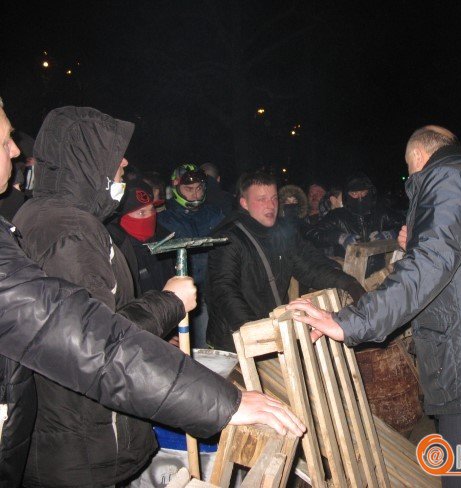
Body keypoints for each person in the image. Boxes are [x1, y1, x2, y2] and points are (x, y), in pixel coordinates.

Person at [0, 98, 304, 487]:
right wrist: (172, 302)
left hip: (80, 439)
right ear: (86, 158)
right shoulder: (68, 231)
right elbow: (94, 342)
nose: (125, 164)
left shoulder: (58, 218)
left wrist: (154, 340)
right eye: (115, 155)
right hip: (84, 448)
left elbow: (95, 325)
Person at [289, 126, 461, 488]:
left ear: (418, 158)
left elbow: (428, 265)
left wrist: (352, 321)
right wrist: (418, 240)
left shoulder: (446, 180)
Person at [205, 171, 366, 352]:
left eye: (274, 198)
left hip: (271, 332)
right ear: (244, 203)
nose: (271, 205)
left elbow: (310, 267)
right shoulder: (228, 238)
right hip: (232, 342)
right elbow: (224, 290)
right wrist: (254, 331)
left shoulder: (282, 232)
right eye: (262, 199)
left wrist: (349, 283)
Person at [158, 163, 225, 348]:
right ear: (177, 189)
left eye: (198, 188)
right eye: (188, 189)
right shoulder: (165, 219)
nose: (195, 194)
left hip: (216, 292)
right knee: (196, 348)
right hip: (187, 298)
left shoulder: (214, 213)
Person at [304, 173, 404, 275]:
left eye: (363, 193)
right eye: (355, 194)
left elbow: (408, 224)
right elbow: (312, 234)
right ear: (348, 195)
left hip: (379, 274)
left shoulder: (381, 213)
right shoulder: (337, 216)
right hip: (348, 274)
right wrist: (339, 237)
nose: (360, 198)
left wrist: (391, 234)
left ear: (369, 192)